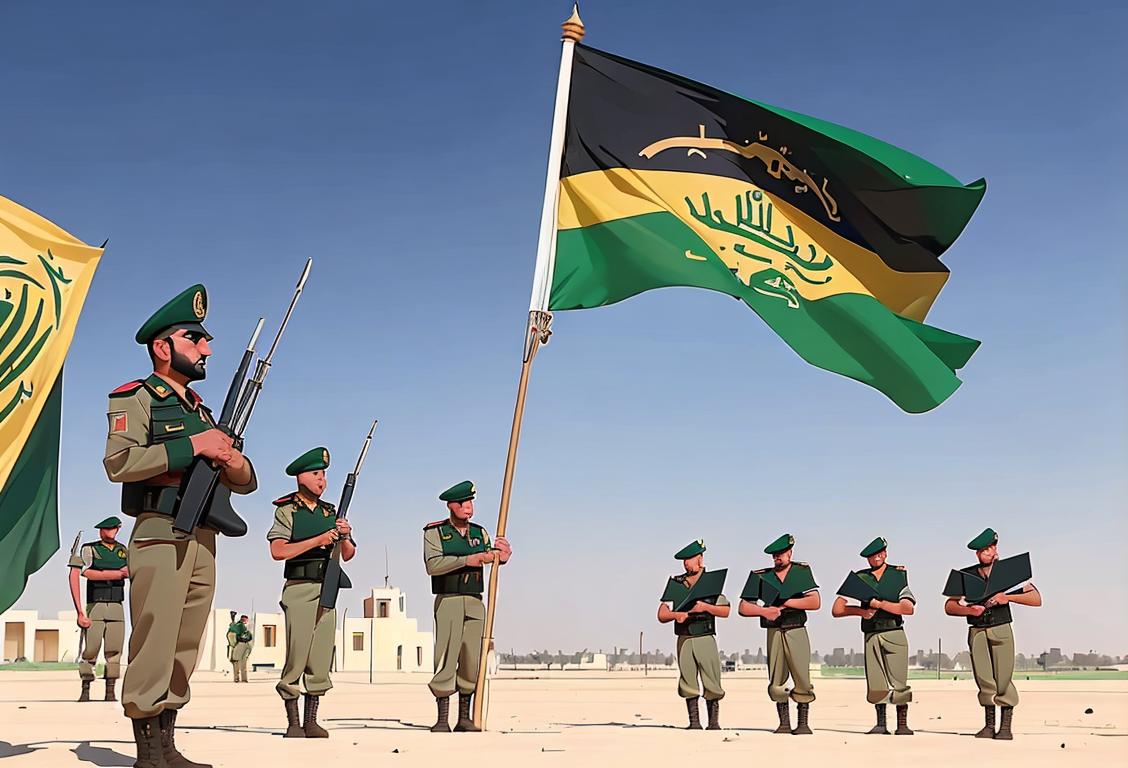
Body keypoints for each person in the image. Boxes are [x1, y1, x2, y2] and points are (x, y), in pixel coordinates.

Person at [104, 284, 257, 768]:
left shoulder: (202, 413)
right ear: (163, 347)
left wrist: (229, 457)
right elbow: (120, 462)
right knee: (154, 639)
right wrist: (195, 447)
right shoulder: (137, 398)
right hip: (159, 533)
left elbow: (247, 480)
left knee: (185, 641)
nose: (207, 348)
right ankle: (148, 752)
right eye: (196, 339)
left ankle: (169, 744)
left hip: (203, 539)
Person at [267, 447, 355, 738]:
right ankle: (293, 722)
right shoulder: (287, 510)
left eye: (324, 474)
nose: (322, 480)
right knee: (298, 651)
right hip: (300, 588)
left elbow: (350, 553)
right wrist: (318, 539)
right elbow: (278, 551)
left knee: (320, 655)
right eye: (316, 473)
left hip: (327, 586)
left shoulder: (332, 512)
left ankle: (311, 720)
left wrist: (343, 535)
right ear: (300, 477)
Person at [423, 481, 511, 732]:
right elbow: (434, 565)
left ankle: (464, 717)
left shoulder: (479, 533)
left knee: (472, 657)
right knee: (446, 656)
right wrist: (469, 560)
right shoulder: (435, 533)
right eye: (463, 503)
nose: (468, 507)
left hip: (475, 600)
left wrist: (500, 556)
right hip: (448, 598)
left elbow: (490, 557)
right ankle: (442, 718)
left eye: (470, 502)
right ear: (451, 505)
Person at [944, 528, 1041, 740]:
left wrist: (1008, 598)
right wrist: (970, 610)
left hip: (1001, 627)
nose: (988, 552)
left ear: (996, 548)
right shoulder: (966, 575)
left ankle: (1005, 727)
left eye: (991, 548)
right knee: (984, 678)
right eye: (983, 550)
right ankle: (989, 725)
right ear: (977, 553)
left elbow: (1036, 598)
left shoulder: (1009, 572)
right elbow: (949, 606)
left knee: (1003, 677)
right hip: (977, 629)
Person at [831, 536, 915, 735]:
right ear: (867, 559)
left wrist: (879, 604)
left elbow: (907, 608)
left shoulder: (898, 575)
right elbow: (837, 609)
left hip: (894, 631)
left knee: (900, 682)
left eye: (880, 553)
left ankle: (902, 725)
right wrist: (861, 612)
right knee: (876, 683)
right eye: (873, 555)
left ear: (885, 553)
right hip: (871, 633)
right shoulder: (860, 578)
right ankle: (881, 724)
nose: (878, 557)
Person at [738, 533, 820, 735]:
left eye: (781, 554)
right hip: (773, 631)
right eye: (775, 555)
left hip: (796, 629)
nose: (777, 558)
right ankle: (784, 723)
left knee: (802, 677)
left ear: (790, 552)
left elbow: (815, 601)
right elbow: (743, 607)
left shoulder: (801, 571)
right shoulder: (761, 576)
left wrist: (787, 602)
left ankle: (802, 723)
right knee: (776, 679)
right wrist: (765, 611)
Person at [657, 539, 729, 729]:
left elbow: (725, 611)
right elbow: (662, 613)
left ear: (700, 559)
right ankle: (694, 722)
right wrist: (676, 615)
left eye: (690, 559)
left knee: (711, 680)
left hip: (705, 636)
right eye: (684, 560)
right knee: (688, 680)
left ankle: (714, 723)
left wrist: (706, 607)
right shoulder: (676, 584)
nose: (686, 563)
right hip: (685, 637)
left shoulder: (711, 582)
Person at [67, 516, 129, 703]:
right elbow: (81, 573)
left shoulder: (122, 550)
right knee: (91, 649)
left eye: (112, 529)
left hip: (117, 605)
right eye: (106, 529)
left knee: (114, 650)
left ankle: (110, 690)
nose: (109, 532)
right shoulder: (91, 549)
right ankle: (86, 687)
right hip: (96, 604)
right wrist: (80, 612)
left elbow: (132, 571)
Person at [226, 614, 253, 683]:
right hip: (242, 644)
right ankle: (244, 679)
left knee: (236, 663)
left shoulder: (234, 625)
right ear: (245, 620)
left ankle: (236, 678)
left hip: (234, 646)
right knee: (243, 663)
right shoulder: (242, 626)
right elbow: (247, 637)